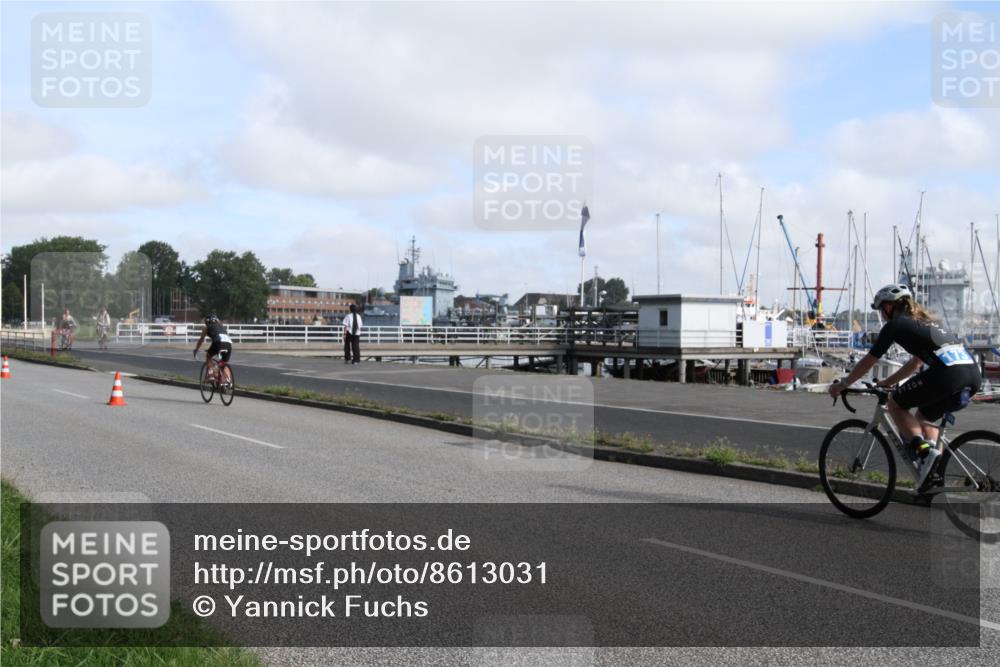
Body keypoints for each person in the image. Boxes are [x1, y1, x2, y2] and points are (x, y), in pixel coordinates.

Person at [829, 284, 981, 488]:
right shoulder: (928, 323)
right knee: (923, 418)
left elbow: (870, 359)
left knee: (895, 404)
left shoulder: (895, 325)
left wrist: (844, 383)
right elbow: (915, 363)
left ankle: (924, 452)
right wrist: (887, 382)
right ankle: (934, 475)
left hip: (949, 375)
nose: (882, 315)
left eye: (881, 309)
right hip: (973, 377)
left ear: (889, 307)